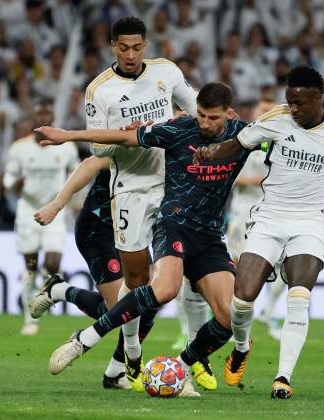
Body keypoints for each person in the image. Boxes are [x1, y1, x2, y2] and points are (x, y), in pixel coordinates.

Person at [35, 82, 249, 397]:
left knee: (230, 317)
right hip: (172, 224)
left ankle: (178, 367)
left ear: (228, 114)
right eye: (201, 115)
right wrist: (70, 135)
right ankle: (84, 340)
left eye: (212, 118)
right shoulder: (177, 130)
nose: (204, 123)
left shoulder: (245, 135)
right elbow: (122, 137)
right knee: (163, 289)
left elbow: (288, 131)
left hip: (209, 235)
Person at [193, 66, 324, 398]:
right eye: (289, 101)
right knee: (242, 300)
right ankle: (241, 347)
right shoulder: (277, 119)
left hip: (310, 221)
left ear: (318, 97)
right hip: (269, 217)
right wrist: (212, 152)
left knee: (299, 296)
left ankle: (283, 378)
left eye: (299, 102)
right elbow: (238, 143)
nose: (293, 108)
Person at [81, 16, 212, 389]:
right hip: (129, 189)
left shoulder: (166, 73)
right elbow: (96, 147)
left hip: (172, 185)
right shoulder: (99, 90)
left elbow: (195, 110)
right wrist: (126, 138)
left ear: (146, 45)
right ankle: (131, 352)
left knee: (183, 270)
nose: (131, 54)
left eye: (137, 47)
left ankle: (194, 358)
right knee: (136, 279)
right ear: (112, 47)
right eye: (123, 47)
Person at [29, 156, 129, 389]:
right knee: (122, 308)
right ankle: (115, 369)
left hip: (131, 230)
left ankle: (59, 290)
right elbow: (91, 163)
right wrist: (56, 205)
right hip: (99, 229)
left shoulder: (176, 145)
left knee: (144, 302)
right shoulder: (136, 139)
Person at [2, 99, 79, 336]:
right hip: (28, 210)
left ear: (53, 118)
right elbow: (7, 181)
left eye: (47, 114)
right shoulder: (19, 148)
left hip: (54, 210)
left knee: (53, 263)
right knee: (31, 266)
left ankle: (43, 295)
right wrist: (16, 184)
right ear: (33, 119)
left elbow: (75, 175)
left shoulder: (66, 147)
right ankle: (30, 318)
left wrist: (73, 202)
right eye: (39, 115)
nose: (43, 119)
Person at [226, 98, 285, 341]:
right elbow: (227, 174)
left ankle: (268, 311)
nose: (268, 114)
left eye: (272, 111)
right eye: (263, 110)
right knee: (238, 265)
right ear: (255, 113)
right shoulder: (246, 139)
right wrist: (254, 181)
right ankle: (229, 319)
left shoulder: (282, 143)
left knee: (282, 265)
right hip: (243, 211)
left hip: (273, 212)